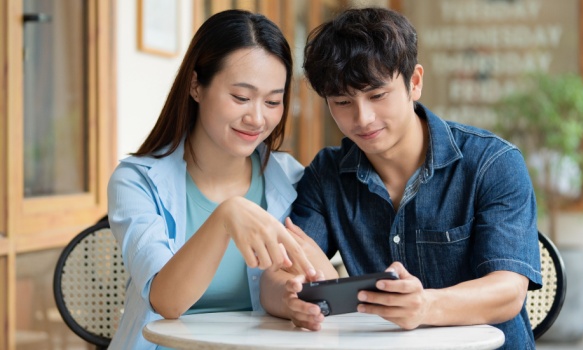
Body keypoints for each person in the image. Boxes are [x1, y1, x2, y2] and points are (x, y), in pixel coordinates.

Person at [262, 7, 542, 349]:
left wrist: (425, 306)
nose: (363, 118)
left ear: (415, 82)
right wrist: (289, 300)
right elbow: (277, 276)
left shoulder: (492, 163)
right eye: (343, 101)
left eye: (377, 95)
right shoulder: (327, 174)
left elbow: (508, 291)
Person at [107, 10, 323, 349]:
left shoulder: (292, 179)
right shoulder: (136, 181)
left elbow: (294, 284)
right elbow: (167, 301)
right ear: (196, 86)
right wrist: (226, 215)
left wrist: (295, 299)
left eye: (272, 101)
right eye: (241, 97)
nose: (257, 118)